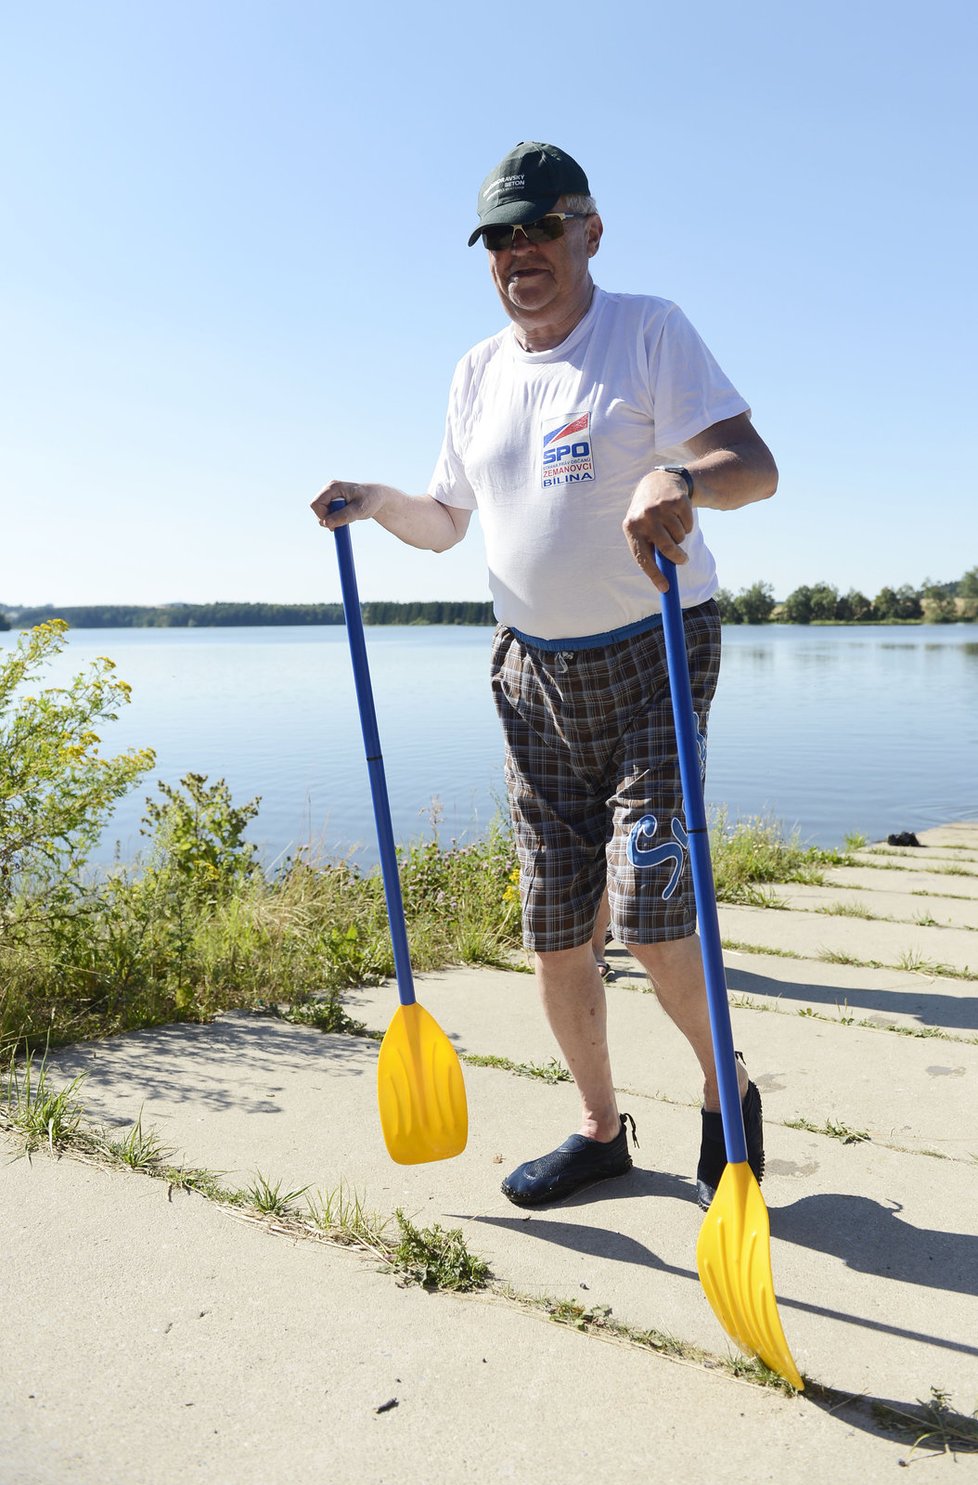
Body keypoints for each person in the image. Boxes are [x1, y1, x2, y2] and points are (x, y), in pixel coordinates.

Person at [311, 141, 775, 1211]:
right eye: (500, 237)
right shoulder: (477, 372)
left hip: (654, 650)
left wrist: (681, 474)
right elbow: (446, 524)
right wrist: (380, 500)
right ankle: (600, 1131)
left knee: (655, 916)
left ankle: (728, 1091)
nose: (520, 251)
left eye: (539, 228)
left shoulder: (648, 330)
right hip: (528, 673)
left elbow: (755, 463)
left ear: (589, 231)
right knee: (557, 932)